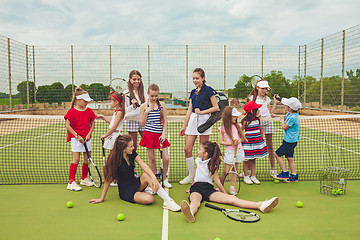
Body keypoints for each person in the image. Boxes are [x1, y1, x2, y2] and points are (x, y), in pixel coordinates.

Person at [180, 141, 279, 223]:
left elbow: (217, 181)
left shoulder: (213, 163)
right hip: (196, 188)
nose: (198, 150)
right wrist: (191, 189)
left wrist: (224, 193)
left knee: (232, 199)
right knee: (195, 202)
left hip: (209, 190)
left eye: (199, 149)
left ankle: (260, 205)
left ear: (205, 154)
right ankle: (191, 213)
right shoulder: (198, 160)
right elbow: (194, 176)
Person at [88, 135, 181, 212]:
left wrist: (153, 177)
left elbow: (143, 164)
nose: (133, 148)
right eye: (131, 146)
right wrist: (101, 198)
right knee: (150, 199)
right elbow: (108, 179)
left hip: (135, 182)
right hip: (126, 191)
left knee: (147, 175)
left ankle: (168, 201)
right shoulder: (114, 161)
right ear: (123, 149)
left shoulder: (131, 153)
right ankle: (148, 191)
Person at [179, 68, 219, 185]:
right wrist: (184, 126)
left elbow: (216, 107)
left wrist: (202, 112)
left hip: (204, 122)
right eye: (193, 78)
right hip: (192, 121)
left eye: (197, 78)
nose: (195, 80)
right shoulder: (193, 92)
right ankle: (192, 175)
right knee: (187, 149)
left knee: (204, 151)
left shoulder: (208, 90)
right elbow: (189, 110)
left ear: (203, 78)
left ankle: (205, 176)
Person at [139, 84, 172, 190]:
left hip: (160, 135)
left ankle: (164, 179)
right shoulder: (144, 106)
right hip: (149, 135)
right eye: (152, 96)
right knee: (152, 159)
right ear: (148, 94)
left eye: (156, 96)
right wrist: (146, 112)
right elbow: (142, 124)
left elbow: (165, 121)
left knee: (166, 158)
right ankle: (154, 180)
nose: (154, 98)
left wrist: (163, 134)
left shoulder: (162, 104)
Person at [64, 87, 97, 191]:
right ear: (78, 100)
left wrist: (88, 134)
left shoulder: (89, 111)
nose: (87, 103)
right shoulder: (71, 111)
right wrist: (77, 136)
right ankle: (71, 182)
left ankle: (83, 179)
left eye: (88, 101)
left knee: (87, 159)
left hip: (87, 138)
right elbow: (68, 126)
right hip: (76, 138)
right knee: (76, 159)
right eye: (85, 101)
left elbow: (93, 124)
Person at [247, 79, 278, 176]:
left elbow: (270, 111)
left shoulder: (267, 99)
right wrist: (255, 115)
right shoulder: (251, 98)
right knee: (254, 146)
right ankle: (248, 170)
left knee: (270, 145)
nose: (265, 91)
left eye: (266, 89)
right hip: (257, 122)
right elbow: (249, 111)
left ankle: (272, 169)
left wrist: (275, 102)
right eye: (263, 88)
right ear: (257, 87)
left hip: (268, 122)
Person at [97, 91, 126, 186]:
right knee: (112, 159)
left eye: (110, 101)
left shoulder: (120, 112)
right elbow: (112, 124)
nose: (109, 103)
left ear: (116, 102)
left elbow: (114, 128)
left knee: (114, 160)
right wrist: (103, 117)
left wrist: (104, 135)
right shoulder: (117, 112)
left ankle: (116, 179)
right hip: (113, 136)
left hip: (115, 137)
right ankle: (114, 178)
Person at [218, 106, 247, 194]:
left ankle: (232, 187)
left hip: (238, 150)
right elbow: (221, 142)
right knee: (226, 171)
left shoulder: (238, 126)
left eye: (236, 116)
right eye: (234, 116)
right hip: (230, 151)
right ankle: (220, 187)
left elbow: (243, 138)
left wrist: (239, 140)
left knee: (234, 169)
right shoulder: (222, 128)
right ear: (228, 117)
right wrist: (231, 143)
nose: (236, 118)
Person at [273, 97, 302, 182]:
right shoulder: (291, 114)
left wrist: (282, 120)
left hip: (289, 142)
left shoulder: (293, 117)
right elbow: (285, 117)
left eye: (286, 105)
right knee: (290, 158)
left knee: (277, 154)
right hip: (291, 141)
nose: (284, 106)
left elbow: (284, 127)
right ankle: (294, 176)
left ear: (290, 108)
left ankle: (284, 173)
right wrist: (276, 116)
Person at [240, 101, 268, 185]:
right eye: (257, 109)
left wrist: (261, 138)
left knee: (253, 159)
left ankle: (253, 176)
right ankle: (246, 176)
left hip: (256, 142)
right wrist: (243, 139)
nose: (259, 110)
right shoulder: (245, 121)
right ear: (252, 111)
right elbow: (240, 131)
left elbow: (261, 129)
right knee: (246, 160)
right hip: (248, 143)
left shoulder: (257, 120)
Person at [123, 70, 149, 151]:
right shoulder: (126, 93)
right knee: (133, 146)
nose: (136, 81)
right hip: (131, 120)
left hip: (142, 120)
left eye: (138, 79)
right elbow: (124, 110)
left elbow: (147, 105)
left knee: (148, 142)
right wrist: (132, 106)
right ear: (130, 80)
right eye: (134, 79)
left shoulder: (144, 92)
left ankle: (152, 163)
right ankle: (131, 163)